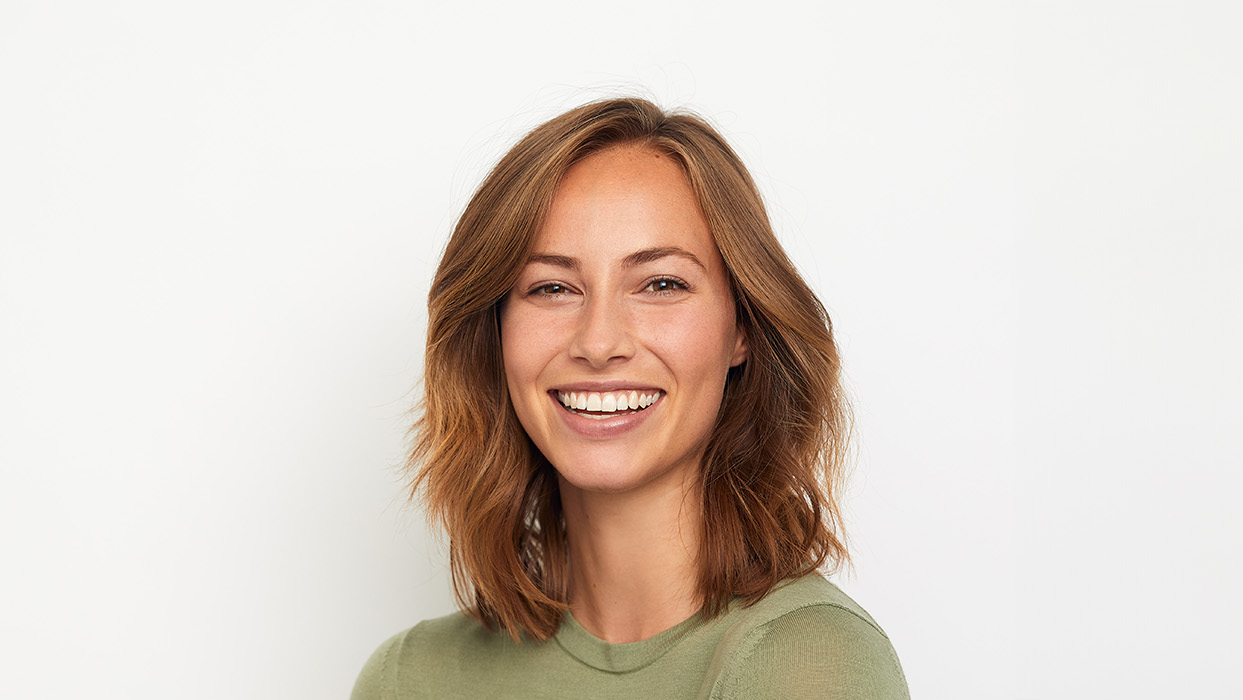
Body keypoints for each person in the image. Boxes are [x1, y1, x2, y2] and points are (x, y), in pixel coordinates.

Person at [352, 97, 910, 699]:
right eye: (552, 287)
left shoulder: (809, 660)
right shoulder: (408, 680)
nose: (598, 342)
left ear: (742, 328)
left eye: (661, 284)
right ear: (494, 332)